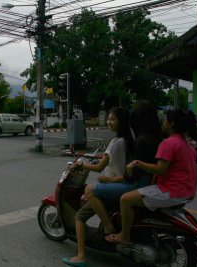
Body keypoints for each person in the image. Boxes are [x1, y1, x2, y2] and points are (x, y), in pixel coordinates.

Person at [106, 109, 197, 245]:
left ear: (171, 124)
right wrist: (192, 191)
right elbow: (195, 170)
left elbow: (160, 169)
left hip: (170, 191)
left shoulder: (168, 144)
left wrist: (137, 163)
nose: (162, 122)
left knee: (125, 199)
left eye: (165, 120)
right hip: (185, 192)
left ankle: (124, 236)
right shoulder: (187, 145)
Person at [62, 107, 133, 267]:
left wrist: (82, 164)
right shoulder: (128, 140)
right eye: (108, 118)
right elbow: (108, 157)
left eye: (113, 119)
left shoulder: (116, 142)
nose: (109, 122)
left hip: (111, 186)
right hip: (120, 183)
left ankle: (81, 256)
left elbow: (100, 166)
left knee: (79, 217)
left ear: (121, 121)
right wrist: (90, 156)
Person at [83, 101, 162, 242]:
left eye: (112, 119)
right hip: (148, 183)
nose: (109, 122)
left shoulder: (141, 141)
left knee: (89, 190)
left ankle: (112, 229)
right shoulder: (155, 138)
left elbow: (134, 175)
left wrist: (112, 180)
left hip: (138, 185)